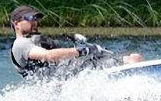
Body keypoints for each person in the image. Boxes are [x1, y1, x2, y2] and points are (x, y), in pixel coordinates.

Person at [9, 5, 143, 78]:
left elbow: (58, 51)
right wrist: (82, 51)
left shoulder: (35, 40)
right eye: (29, 18)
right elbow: (48, 56)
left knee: (131, 57)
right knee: (133, 59)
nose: (34, 22)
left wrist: (77, 42)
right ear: (16, 24)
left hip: (65, 76)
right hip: (62, 78)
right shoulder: (20, 44)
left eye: (35, 19)